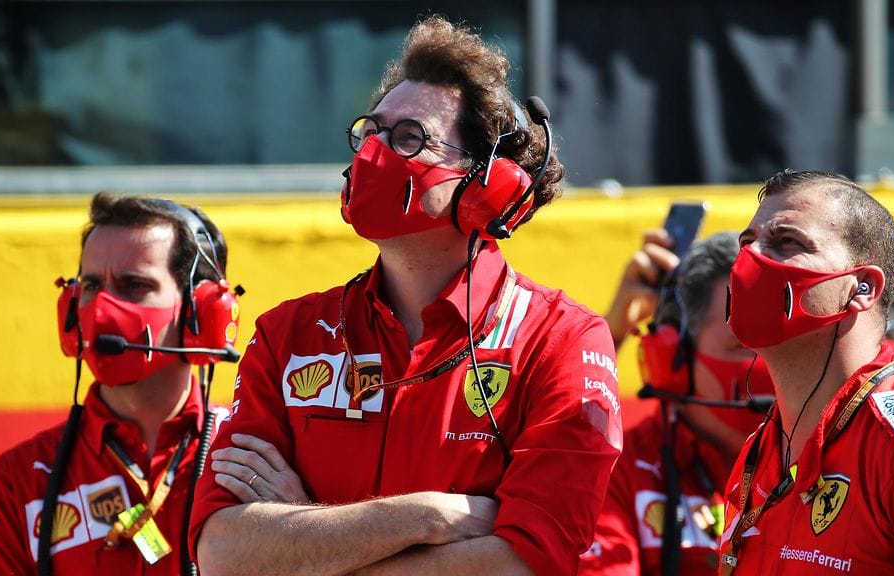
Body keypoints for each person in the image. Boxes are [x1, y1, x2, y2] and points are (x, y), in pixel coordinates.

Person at [190, 15, 622, 576]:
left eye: (408, 138)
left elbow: (527, 561)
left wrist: (306, 540)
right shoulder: (285, 334)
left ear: (488, 187)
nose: (373, 153)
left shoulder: (562, 339)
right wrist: (426, 517)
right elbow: (221, 552)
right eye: (370, 132)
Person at [0, 192, 242, 575]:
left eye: (133, 285)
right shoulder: (17, 479)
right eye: (92, 286)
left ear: (202, 311)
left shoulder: (248, 458)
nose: (102, 309)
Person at [718, 169, 894, 575]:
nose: (750, 259)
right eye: (747, 243)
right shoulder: (760, 450)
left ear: (862, 287)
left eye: (786, 242)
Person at [581, 231, 774, 576]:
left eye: (784, 344)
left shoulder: (834, 459)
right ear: (672, 361)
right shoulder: (619, 472)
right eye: (744, 345)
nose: (775, 366)